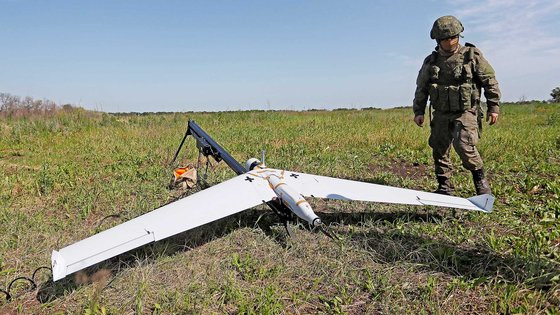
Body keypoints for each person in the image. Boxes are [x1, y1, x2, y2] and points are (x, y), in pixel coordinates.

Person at [412, 15, 501, 196]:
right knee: (439, 147)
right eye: (446, 39)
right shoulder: (431, 61)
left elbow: (489, 81)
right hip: (441, 112)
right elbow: (422, 88)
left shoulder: (471, 56)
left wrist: (494, 107)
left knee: (464, 145)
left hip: (465, 111)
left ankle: (480, 183)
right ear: (438, 40)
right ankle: (444, 185)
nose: (451, 41)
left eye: (454, 37)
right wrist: (418, 111)